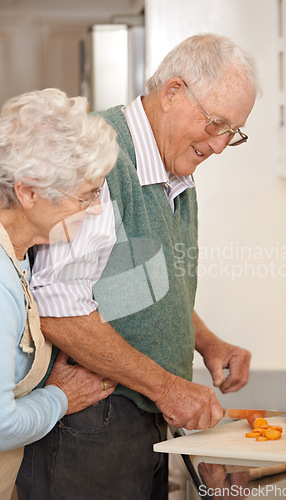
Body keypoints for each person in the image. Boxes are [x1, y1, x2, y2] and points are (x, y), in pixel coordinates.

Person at [17, 34, 259, 500]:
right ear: (172, 93)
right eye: (216, 123)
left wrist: (205, 341)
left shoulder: (175, 171)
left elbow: (140, 283)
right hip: (93, 424)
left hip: (143, 415)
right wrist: (169, 389)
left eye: (234, 131)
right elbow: (58, 307)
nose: (221, 144)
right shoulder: (97, 160)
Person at [0, 88, 119, 500]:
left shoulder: (20, 256)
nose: (96, 210)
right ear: (29, 191)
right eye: (86, 197)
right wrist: (61, 398)